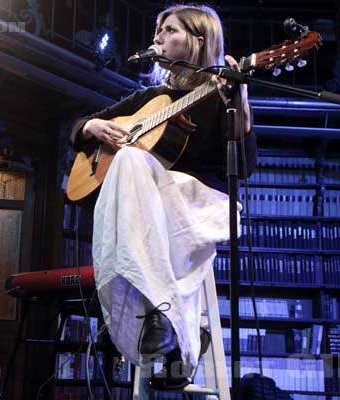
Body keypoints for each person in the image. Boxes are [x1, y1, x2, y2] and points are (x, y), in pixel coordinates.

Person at [70, 4, 257, 388]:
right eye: (156, 30)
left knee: (132, 165)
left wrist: (242, 101)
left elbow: (246, 164)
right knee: (131, 164)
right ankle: (172, 332)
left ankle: (162, 323)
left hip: (202, 204)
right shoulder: (151, 96)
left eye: (168, 30)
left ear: (197, 40)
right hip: (154, 210)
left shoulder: (221, 93)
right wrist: (92, 126)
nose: (156, 37)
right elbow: (78, 129)